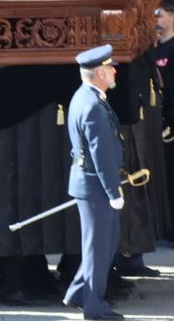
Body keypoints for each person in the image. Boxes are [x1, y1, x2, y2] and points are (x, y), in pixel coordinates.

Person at [62, 44, 124, 321]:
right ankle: (94, 306)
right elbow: (102, 155)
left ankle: (77, 292)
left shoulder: (84, 97)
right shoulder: (93, 107)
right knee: (99, 249)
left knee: (102, 244)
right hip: (96, 187)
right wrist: (113, 191)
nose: (114, 72)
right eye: (111, 68)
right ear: (100, 72)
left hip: (88, 183)